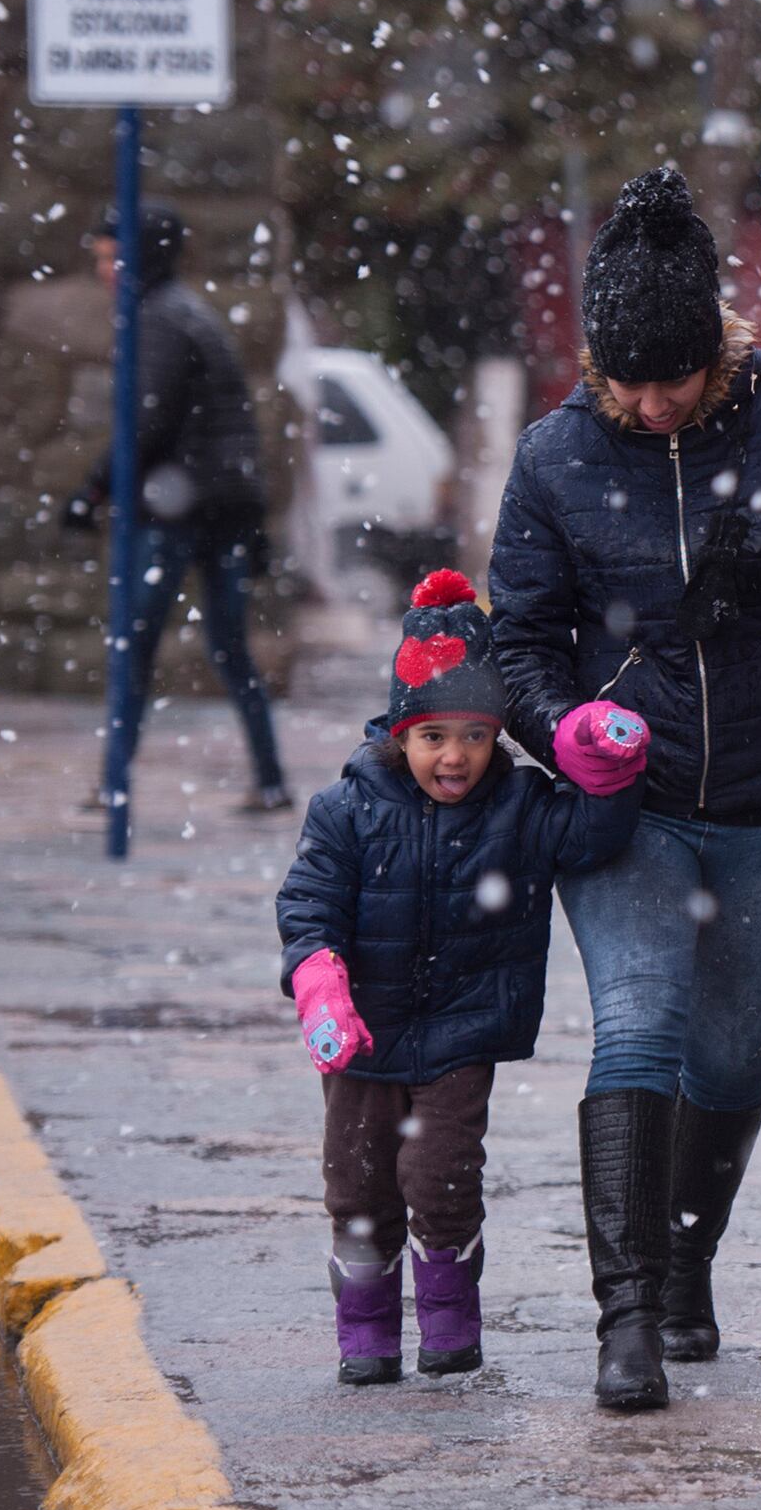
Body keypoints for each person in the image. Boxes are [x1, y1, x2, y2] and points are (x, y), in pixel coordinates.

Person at [489, 166, 761, 1412]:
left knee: (732, 1058)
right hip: (626, 813)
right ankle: (624, 1317)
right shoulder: (555, 459)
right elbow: (516, 639)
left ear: (717, 350)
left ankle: (686, 1262)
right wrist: (560, 723)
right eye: (625, 379)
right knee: (637, 1027)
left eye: (670, 379)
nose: (647, 401)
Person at [275, 570, 646, 1385]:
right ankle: (365, 1332)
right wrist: (320, 986)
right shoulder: (347, 810)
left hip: (463, 1030)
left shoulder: (519, 806)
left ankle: (449, 1320)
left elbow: (590, 836)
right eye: (433, 736)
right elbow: (308, 906)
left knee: (441, 1178)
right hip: (363, 1038)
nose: (454, 756)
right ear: (398, 735)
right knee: (359, 1186)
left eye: (475, 736)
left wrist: (609, 767)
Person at [67, 201, 290, 815]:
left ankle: (115, 779)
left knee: (134, 643)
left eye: (111, 258)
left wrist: (92, 491)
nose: (103, 272)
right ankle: (269, 778)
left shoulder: (159, 319)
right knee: (228, 646)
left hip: (184, 507)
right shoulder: (184, 312)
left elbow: (147, 423)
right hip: (223, 504)